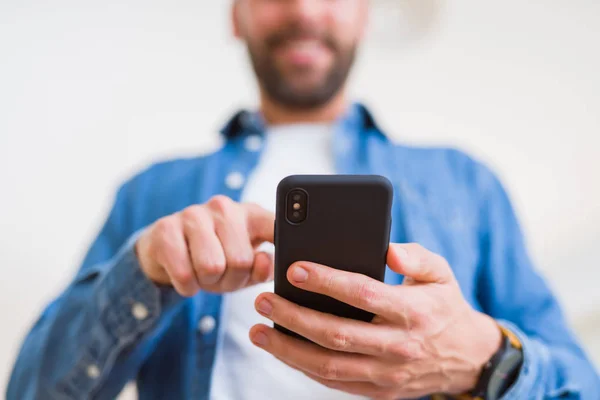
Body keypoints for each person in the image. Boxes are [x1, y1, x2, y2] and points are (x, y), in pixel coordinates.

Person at [8, 0, 599, 399]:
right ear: (235, 15)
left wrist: (487, 358)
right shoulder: (153, 194)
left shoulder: (466, 181)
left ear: (365, 14)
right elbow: (31, 389)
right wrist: (141, 272)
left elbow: (582, 383)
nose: (303, 10)